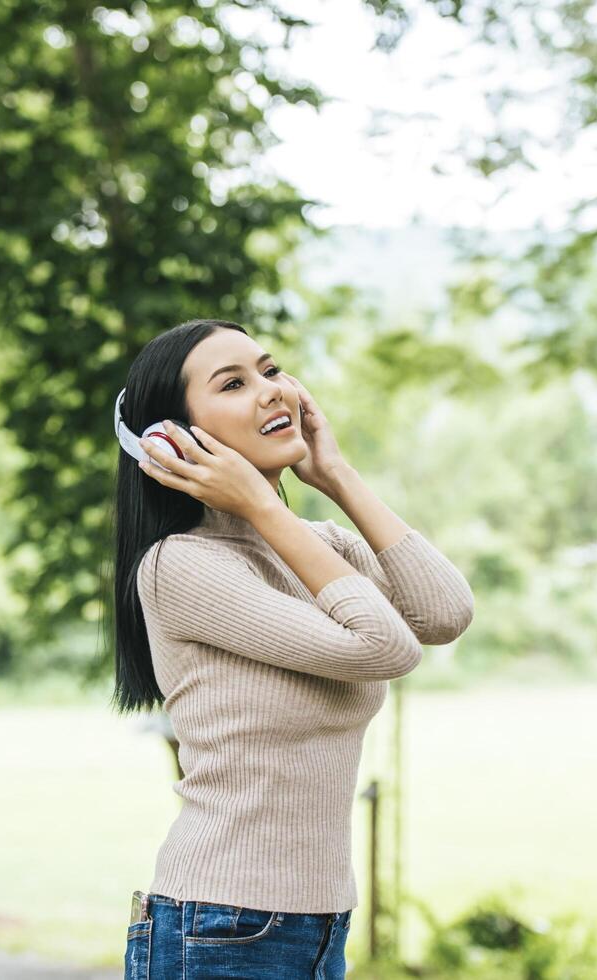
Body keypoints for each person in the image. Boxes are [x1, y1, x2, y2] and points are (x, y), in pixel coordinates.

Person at [108, 318, 475, 979]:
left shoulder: (319, 547)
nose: (271, 391)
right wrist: (264, 508)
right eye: (233, 383)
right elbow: (385, 648)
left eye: (270, 370)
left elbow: (444, 613)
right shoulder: (180, 566)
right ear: (171, 443)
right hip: (221, 925)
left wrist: (333, 473)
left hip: (315, 924)